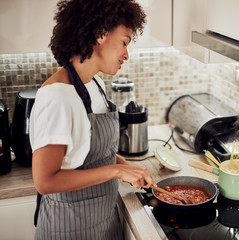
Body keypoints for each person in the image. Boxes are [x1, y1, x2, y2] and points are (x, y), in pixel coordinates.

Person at [29, 0, 156, 239]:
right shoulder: (57, 97)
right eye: (124, 42)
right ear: (100, 34)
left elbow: (94, 154)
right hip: (68, 229)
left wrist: (128, 169)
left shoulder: (93, 84)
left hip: (104, 224)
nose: (126, 54)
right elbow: (45, 181)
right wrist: (117, 171)